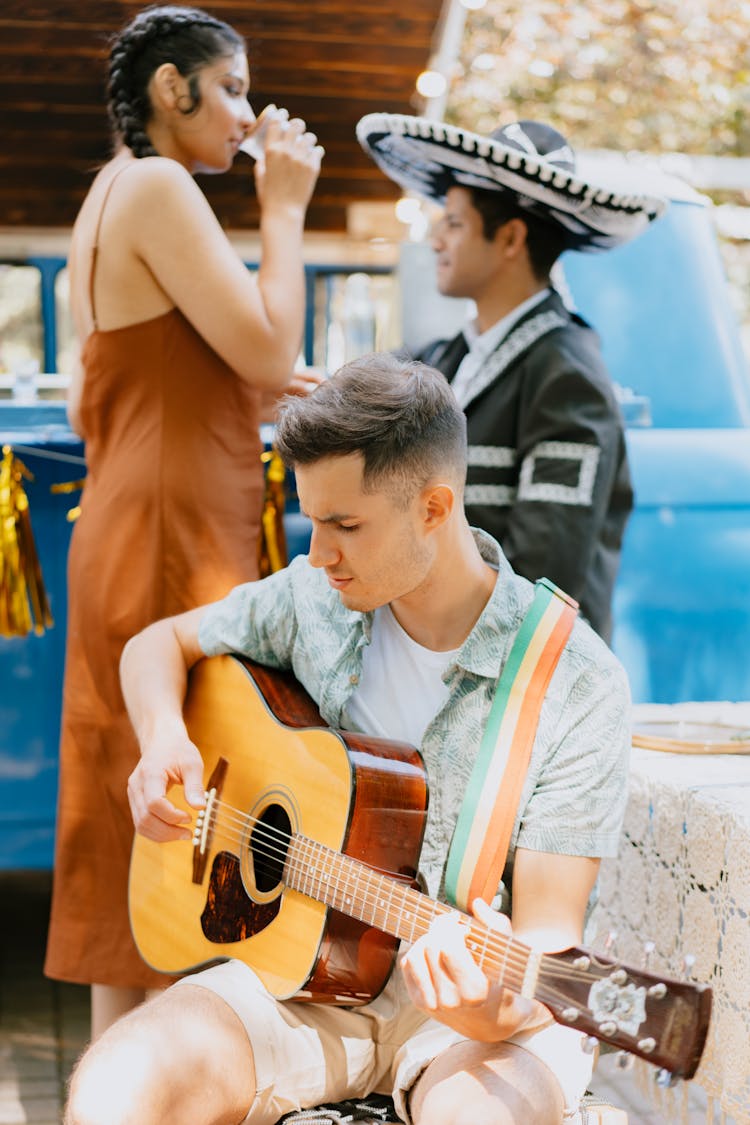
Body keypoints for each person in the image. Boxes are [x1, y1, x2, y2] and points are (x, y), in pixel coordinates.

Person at [64, 354, 631, 1125]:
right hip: (305, 980)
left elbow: (546, 946)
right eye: (312, 518)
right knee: (120, 1078)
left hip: (477, 1022)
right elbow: (155, 646)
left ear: (434, 507)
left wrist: (487, 1012)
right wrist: (164, 738)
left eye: (346, 525)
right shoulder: (314, 599)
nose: (319, 551)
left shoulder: (575, 679)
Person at [44, 3, 323, 1038]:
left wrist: (241, 390)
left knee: (139, 798)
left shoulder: (110, 191)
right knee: (177, 796)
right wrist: (284, 208)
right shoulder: (158, 182)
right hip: (168, 536)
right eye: (235, 89)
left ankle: (121, 1076)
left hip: (130, 523)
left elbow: (105, 394)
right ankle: (156, 1077)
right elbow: (261, 346)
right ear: (175, 89)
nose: (248, 117)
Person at [356, 114, 668, 642]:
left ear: (511, 239)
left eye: (453, 223)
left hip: (523, 690)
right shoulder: (444, 359)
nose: (435, 241)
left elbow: (544, 579)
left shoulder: (567, 375)